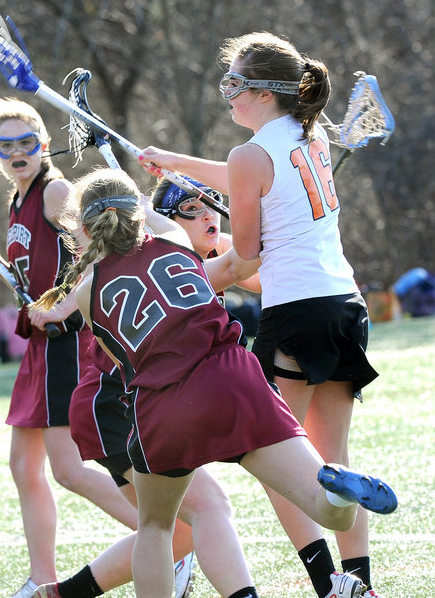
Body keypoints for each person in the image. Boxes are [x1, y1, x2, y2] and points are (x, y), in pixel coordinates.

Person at [34, 167, 397, 598]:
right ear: (138, 213)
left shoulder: (86, 292)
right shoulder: (173, 238)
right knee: (325, 507)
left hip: (163, 403)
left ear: (82, 227)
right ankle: (339, 489)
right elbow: (166, 226)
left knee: (155, 525)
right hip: (232, 380)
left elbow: (122, 359)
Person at [139, 31, 386, 598]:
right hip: (345, 304)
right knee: (334, 459)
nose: (227, 95)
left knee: (281, 462)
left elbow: (246, 253)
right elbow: (249, 176)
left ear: (262, 93)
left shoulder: (248, 154)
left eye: (234, 85)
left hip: (295, 311)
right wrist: (176, 163)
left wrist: (191, 278)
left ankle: (330, 586)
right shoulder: (311, 135)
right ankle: (361, 586)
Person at [28, 177, 262, 598]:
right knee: (203, 511)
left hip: (125, 407)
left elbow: (245, 270)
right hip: (116, 408)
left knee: (177, 532)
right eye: (191, 208)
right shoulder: (166, 260)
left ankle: (62, 594)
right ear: (151, 222)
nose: (208, 215)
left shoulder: (160, 256)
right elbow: (237, 265)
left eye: (211, 206)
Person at [0, 97, 138, 598]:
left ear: (44, 144)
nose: (17, 152)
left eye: (26, 143)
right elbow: (35, 283)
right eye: (7, 145)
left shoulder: (54, 190)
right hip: (39, 344)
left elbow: (97, 247)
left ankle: (169, 539)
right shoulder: (17, 201)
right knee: (25, 468)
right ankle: (40, 578)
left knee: (69, 469)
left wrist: (69, 306)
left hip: (65, 342)